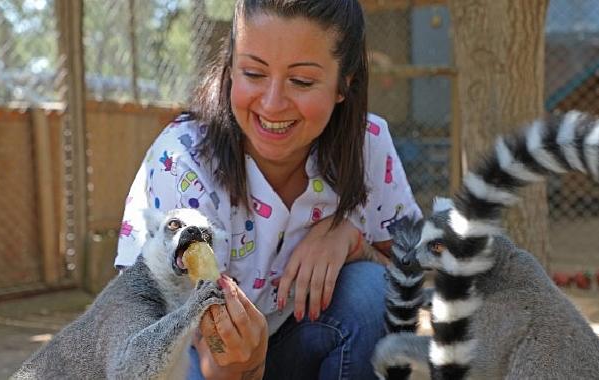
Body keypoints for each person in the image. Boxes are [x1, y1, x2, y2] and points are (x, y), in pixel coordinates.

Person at [115, 0, 421, 378]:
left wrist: (350, 240)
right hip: (190, 359)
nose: (273, 104)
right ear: (230, 69)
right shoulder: (182, 163)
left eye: (301, 81)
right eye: (253, 73)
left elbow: (411, 279)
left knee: (374, 295)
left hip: (296, 346)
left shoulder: (367, 145)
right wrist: (236, 364)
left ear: (346, 83)